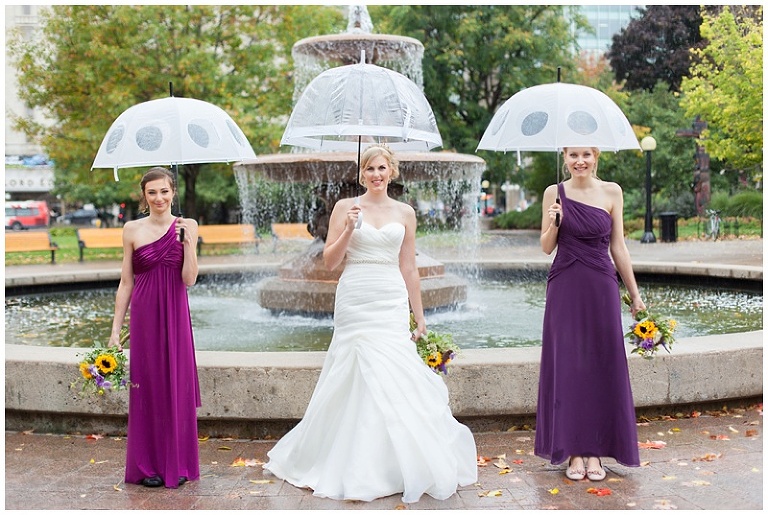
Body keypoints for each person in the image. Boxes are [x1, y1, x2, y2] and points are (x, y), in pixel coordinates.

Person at [263, 144, 477, 503]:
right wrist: (348, 229)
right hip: (354, 294)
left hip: (389, 296)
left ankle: (394, 462)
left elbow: (409, 267)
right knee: (350, 369)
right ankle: (346, 460)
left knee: (394, 369)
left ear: (391, 171)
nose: (376, 175)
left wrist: (420, 315)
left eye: (381, 168)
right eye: (369, 169)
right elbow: (330, 262)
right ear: (361, 174)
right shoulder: (345, 208)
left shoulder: (406, 213)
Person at [534, 147, 646, 482]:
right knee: (568, 365)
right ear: (564, 158)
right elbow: (545, 246)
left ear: (595, 156)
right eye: (572, 155)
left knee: (600, 363)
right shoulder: (555, 193)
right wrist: (555, 222)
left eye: (585, 154)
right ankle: (573, 452)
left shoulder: (612, 192)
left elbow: (619, 246)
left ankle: (596, 450)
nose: (579, 160)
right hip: (565, 284)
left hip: (601, 285)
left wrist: (635, 295)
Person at [108, 167, 200, 489]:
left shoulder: (188, 226)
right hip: (145, 315)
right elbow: (125, 282)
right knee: (146, 388)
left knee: (176, 384)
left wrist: (188, 244)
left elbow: (189, 279)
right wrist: (115, 331)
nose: (159, 198)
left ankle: (179, 462)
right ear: (144, 197)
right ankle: (148, 465)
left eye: (164, 191)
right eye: (152, 193)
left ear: (173, 192)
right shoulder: (131, 229)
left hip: (175, 313)